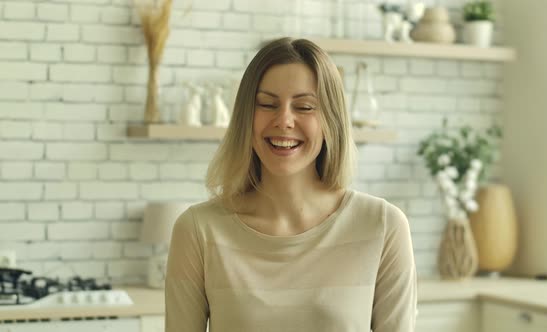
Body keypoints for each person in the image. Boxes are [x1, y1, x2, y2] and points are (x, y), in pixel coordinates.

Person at [165, 37, 417, 332]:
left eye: (305, 107)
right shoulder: (198, 231)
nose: (284, 120)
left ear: (330, 120)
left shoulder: (383, 226)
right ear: (246, 117)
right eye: (267, 104)